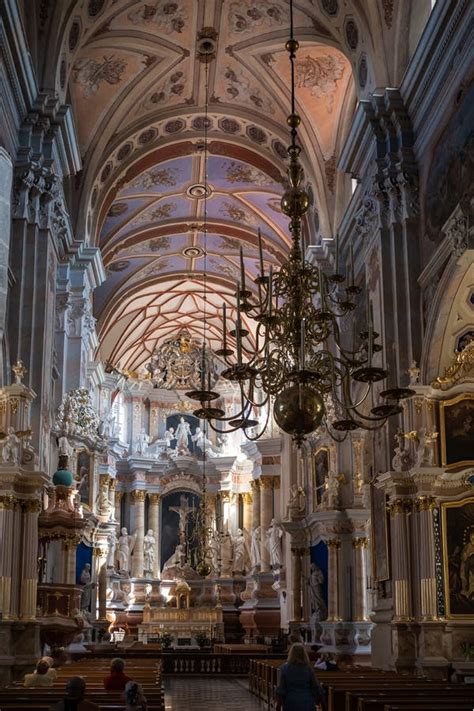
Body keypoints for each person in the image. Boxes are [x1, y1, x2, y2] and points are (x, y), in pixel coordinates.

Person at [276, 643, 323, 711]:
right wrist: (319, 702)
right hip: (307, 702)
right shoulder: (308, 669)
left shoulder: (284, 668)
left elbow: (281, 689)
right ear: (304, 654)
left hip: (291, 702)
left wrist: (278, 706)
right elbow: (315, 687)